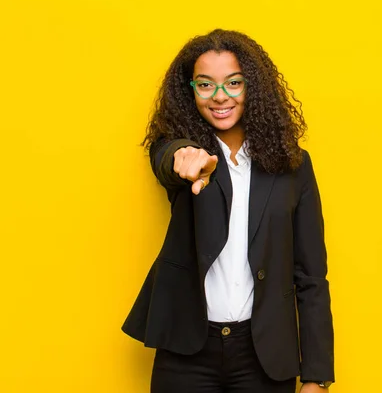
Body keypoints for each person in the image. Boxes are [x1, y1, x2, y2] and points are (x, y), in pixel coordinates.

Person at [122, 29, 334, 393]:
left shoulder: (293, 166)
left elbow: (311, 276)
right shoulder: (182, 152)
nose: (220, 97)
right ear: (190, 92)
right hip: (188, 352)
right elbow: (168, 157)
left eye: (233, 83)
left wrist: (316, 376)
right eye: (205, 85)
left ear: (252, 86)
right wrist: (184, 158)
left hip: (264, 355)